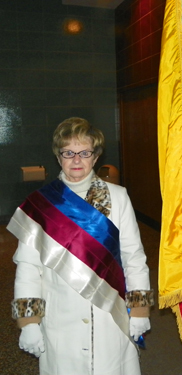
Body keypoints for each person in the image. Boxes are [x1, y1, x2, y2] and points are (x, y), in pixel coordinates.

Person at [7, 117, 154, 375]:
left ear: (95, 157)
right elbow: (28, 269)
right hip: (60, 322)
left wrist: (140, 308)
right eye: (68, 152)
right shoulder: (39, 206)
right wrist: (29, 321)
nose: (76, 160)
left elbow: (134, 258)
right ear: (58, 156)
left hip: (110, 317)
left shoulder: (118, 198)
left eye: (84, 152)